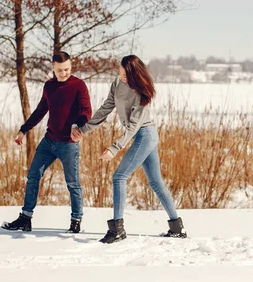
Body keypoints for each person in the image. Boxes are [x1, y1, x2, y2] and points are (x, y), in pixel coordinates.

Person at [71, 54, 186, 243]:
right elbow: (105, 109)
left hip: (145, 135)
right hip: (143, 136)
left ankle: (117, 229)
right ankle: (177, 227)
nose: (121, 77)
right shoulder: (117, 83)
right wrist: (83, 129)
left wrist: (114, 148)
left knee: (119, 177)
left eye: (125, 75)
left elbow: (133, 126)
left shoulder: (141, 93)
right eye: (120, 73)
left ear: (134, 75)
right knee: (156, 183)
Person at [2, 51, 92, 233]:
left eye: (67, 69)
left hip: (68, 143)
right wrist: (23, 130)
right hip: (49, 141)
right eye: (60, 70)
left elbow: (86, 110)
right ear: (52, 68)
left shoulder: (78, 85)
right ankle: (25, 218)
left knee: (72, 183)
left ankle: (76, 222)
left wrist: (78, 125)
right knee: (33, 176)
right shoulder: (49, 86)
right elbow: (40, 111)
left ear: (71, 66)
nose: (64, 73)